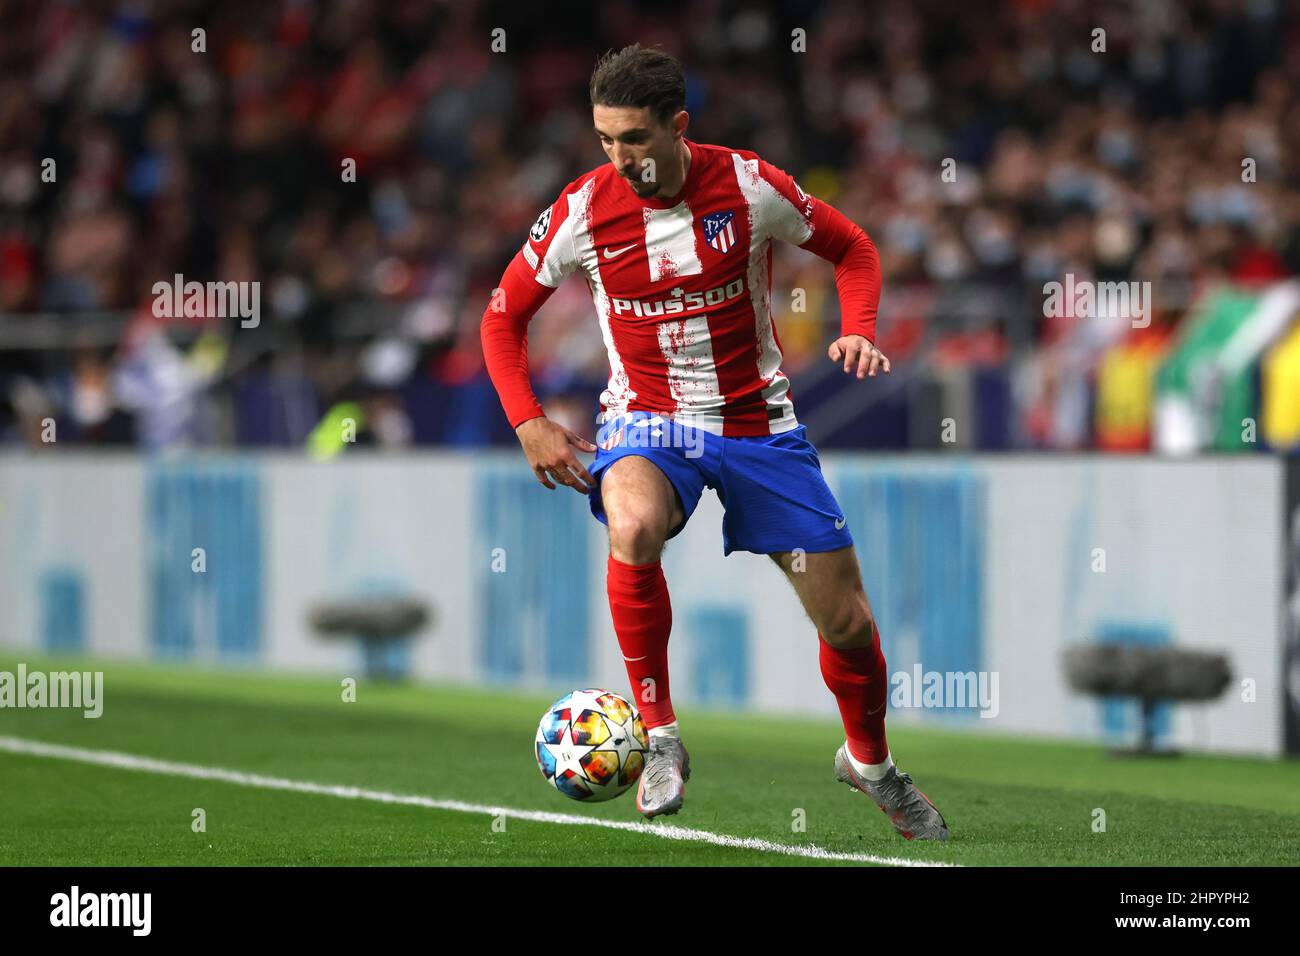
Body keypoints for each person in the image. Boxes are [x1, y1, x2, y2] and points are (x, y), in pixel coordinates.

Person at [481, 44, 948, 840]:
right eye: (604, 139)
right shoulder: (582, 211)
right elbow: (502, 316)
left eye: (633, 138)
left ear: (678, 126)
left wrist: (860, 329)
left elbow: (854, 248)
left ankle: (869, 765)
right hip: (647, 423)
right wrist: (527, 419)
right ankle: (661, 739)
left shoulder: (748, 184)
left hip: (759, 426)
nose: (619, 158)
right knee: (631, 524)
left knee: (848, 626)